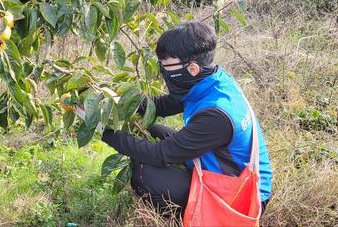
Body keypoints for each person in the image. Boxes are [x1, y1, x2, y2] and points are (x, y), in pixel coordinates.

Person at [101, 21, 273, 216]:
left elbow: (159, 154)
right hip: (229, 170)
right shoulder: (213, 80)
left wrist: (106, 133)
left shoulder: (217, 115)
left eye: (166, 64)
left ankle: (189, 216)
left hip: (241, 196)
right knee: (153, 129)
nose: (163, 69)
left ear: (192, 68)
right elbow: (165, 104)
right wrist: (114, 101)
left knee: (145, 172)